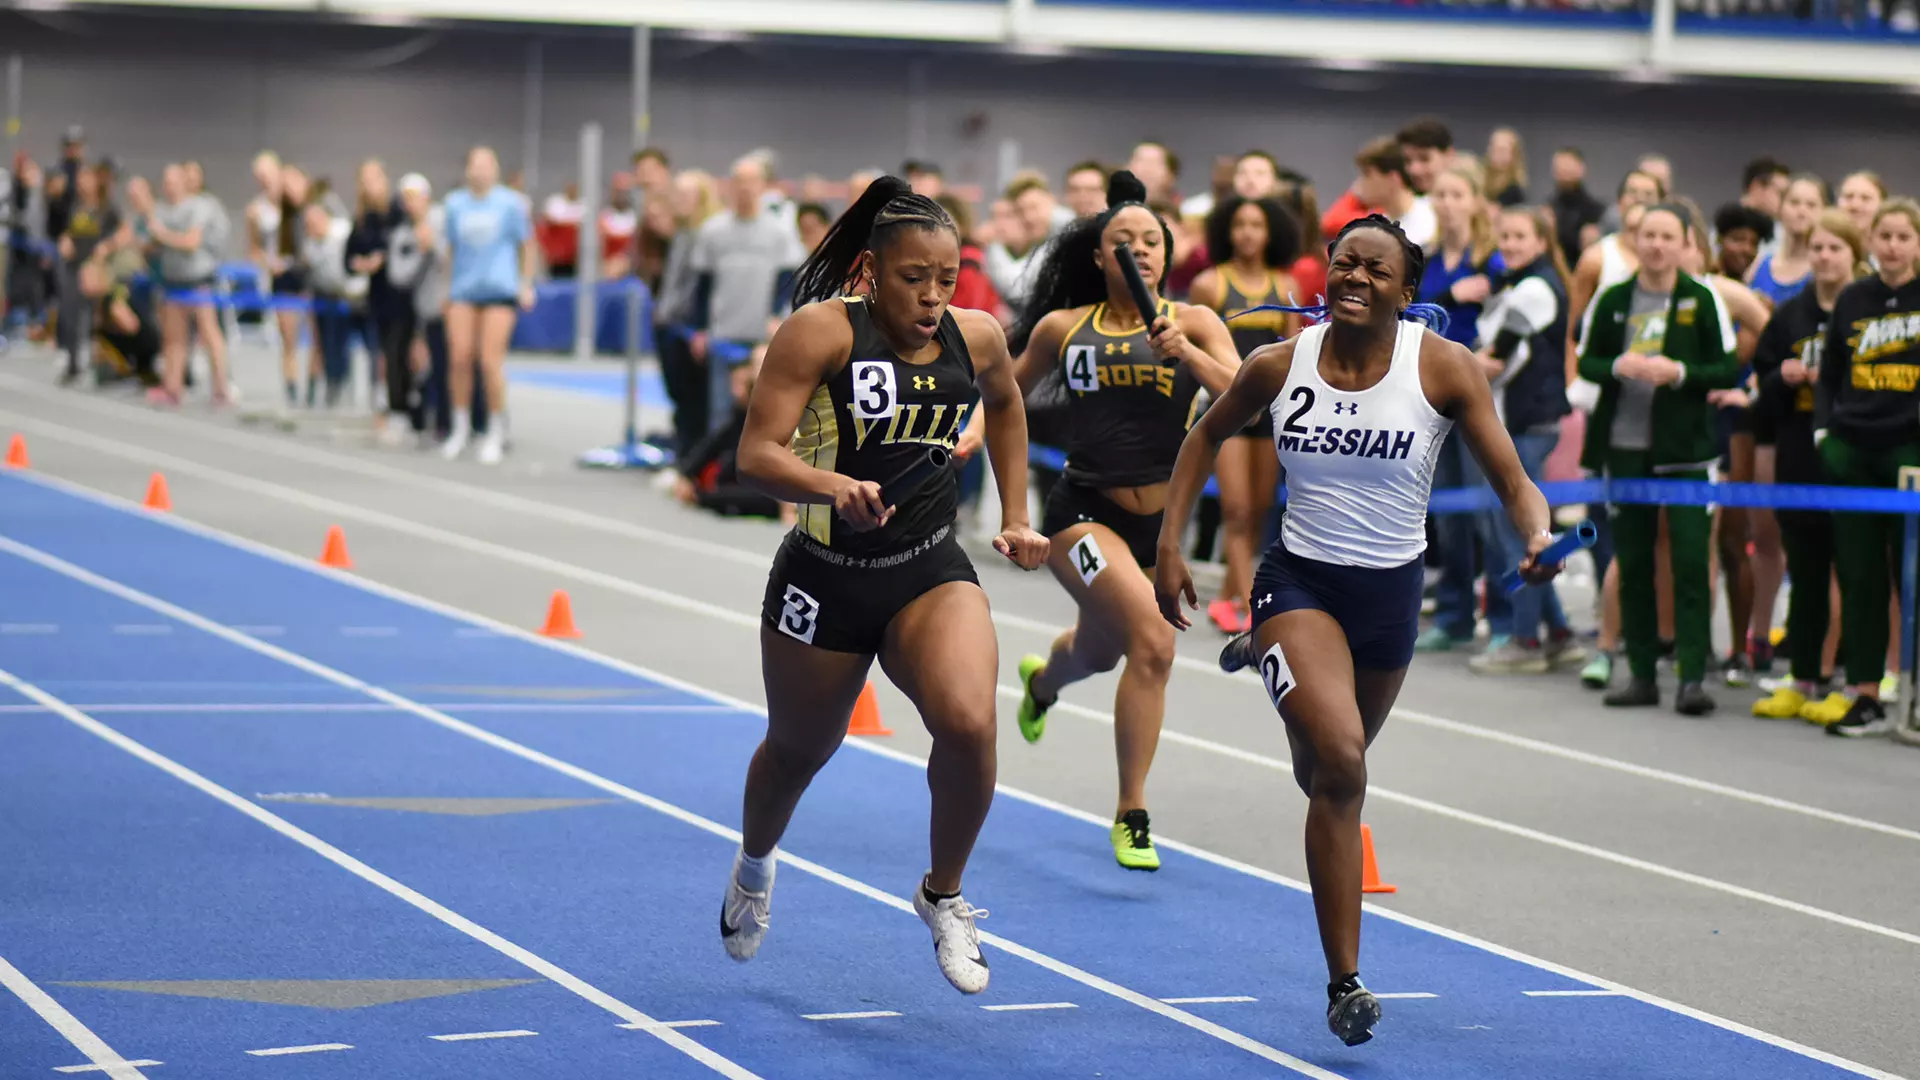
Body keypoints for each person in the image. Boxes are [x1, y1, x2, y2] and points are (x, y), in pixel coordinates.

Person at [1153, 214, 1557, 1047]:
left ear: (1407, 292)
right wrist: (1168, 545)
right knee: (1342, 764)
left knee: (1322, 775)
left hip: (1389, 600)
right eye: (1345, 263)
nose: (1356, 278)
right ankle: (1346, 983)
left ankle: (1271, 660)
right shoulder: (1279, 363)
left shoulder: (1443, 367)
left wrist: (1538, 534)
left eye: (1376, 269)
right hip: (1300, 582)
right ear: (1326, 273)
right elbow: (1204, 435)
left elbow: (1514, 479)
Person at [721, 177, 1049, 993]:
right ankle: (754, 866)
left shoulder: (977, 336)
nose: (934, 296)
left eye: (948, 278)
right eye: (914, 278)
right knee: (798, 751)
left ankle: (943, 894)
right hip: (825, 576)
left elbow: (1007, 405)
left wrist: (1017, 513)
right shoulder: (820, 333)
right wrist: (832, 487)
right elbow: (755, 455)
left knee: (970, 722)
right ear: (871, 271)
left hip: (926, 569)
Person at [1007, 171, 1241, 871]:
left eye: (1151, 240)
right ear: (1098, 256)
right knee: (1154, 644)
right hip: (1082, 514)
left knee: (1099, 652)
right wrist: (966, 437)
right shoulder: (1063, 328)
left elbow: (1245, 397)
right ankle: (1131, 814)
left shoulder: (1195, 321)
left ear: (1167, 254)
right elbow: (1005, 394)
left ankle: (1042, 684)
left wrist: (1187, 353)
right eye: (1122, 240)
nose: (1138, 249)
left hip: (1158, 526)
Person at [1577, 203, 1741, 716]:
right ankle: (1642, 674)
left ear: (1686, 242)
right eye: (1649, 235)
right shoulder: (1614, 297)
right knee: (1634, 565)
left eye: (1668, 236)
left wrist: (1681, 373)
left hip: (1686, 453)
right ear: (1635, 240)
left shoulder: (1702, 297)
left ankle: (1692, 676)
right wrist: (1616, 365)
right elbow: (1586, 360)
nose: (1656, 245)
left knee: (1691, 563)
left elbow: (1726, 368)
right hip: (1624, 449)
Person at [1806, 199, 1920, 737]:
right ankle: (1866, 692)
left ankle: (1912, 694)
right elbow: (1829, 373)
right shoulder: (1854, 298)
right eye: (1884, 236)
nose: (1892, 247)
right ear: (1870, 241)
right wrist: (1824, 433)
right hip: (1852, 450)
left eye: (1903, 236)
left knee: (1912, 576)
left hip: (1910, 452)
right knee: (1859, 575)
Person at [1749, 208, 1869, 721]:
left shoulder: (1866, 310)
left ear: (1854, 254)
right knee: (1806, 570)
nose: (1823, 257)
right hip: (1798, 450)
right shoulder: (1789, 315)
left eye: (1834, 248)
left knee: (1857, 572)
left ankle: (1857, 680)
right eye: (1816, 247)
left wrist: (1832, 382)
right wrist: (1784, 376)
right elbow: (1761, 382)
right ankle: (1802, 676)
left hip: (1851, 453)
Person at [1468, 206, 1582, 674]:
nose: (1510, 245)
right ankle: (1559, 634)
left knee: (1517, 533)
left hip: (1527, 426)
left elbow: (1495, 359)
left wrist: (1447, 366)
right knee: (1513, 532)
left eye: (1520, 236)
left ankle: (1524, 640)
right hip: (1516, 424)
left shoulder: (1535, 289)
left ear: (1541, 242)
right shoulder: (1516, 285)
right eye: (1505, 237)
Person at [1189, 195, 1302, 634]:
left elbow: (1292, 353)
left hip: (1272, 410)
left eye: (1257, 225)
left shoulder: (1284, 284)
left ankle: (1227, 597)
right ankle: (1251, 603)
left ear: (1271, 233)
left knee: (1259, 510)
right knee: (1235, 511)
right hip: (1227, 407)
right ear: (1227, 231)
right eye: (1240, 225)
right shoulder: (1210, 285)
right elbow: (1196, 348)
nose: (1248, 233)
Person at [441, 145, 536, 464]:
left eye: (487, 165)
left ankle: (496, 429)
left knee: (489, 362)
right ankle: (460, 427)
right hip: (463, 291)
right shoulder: (454, 204)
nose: (481, 171)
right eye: (476, 165)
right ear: (467, 170)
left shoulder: (510, 203)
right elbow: (451, 248)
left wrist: (525, 283)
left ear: (495, 170)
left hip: (499, 289)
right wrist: (446, 288)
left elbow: (527, 244)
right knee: (459, 357)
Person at [146, 162, 231, 407]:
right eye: (166, 183)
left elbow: (191, 242)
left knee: (209, 334)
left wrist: (162, 234)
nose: (169, 187)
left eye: (173, 182)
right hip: (173, 282)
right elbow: (151, 241)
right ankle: (172, 388)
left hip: (198, 281)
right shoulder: (162, 210)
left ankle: (221, 389)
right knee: (174, 338)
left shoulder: (200, 206)